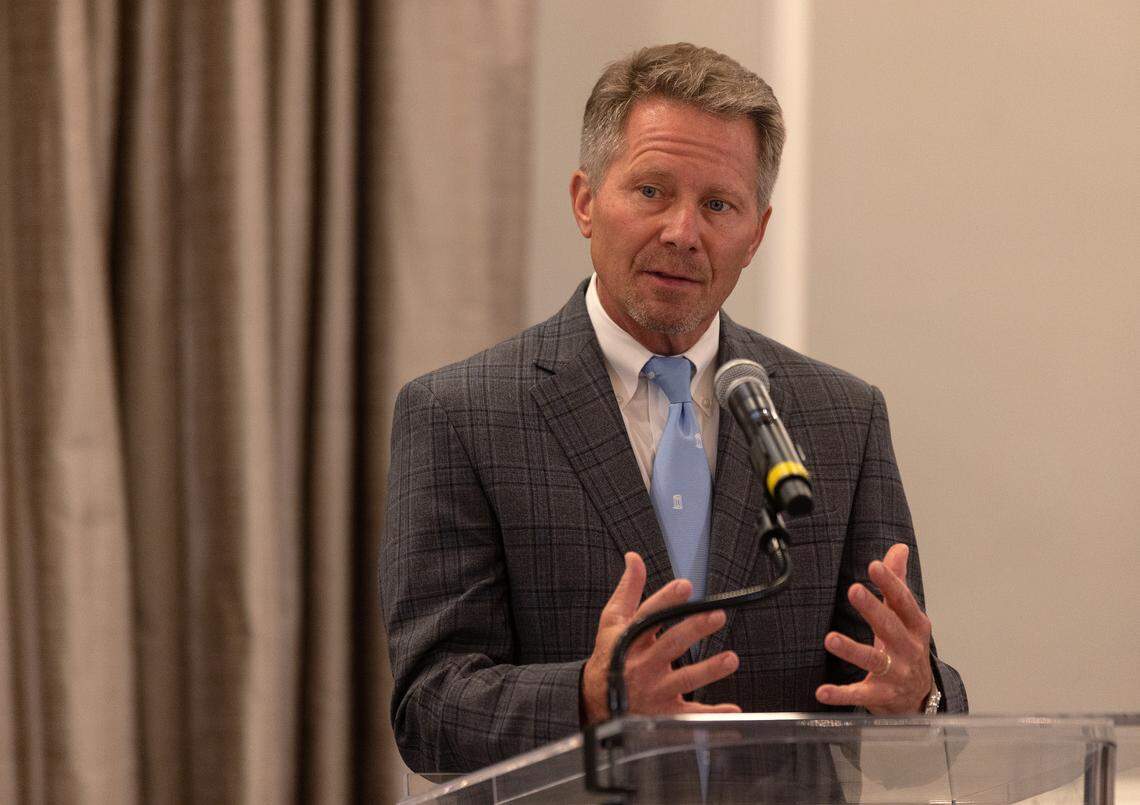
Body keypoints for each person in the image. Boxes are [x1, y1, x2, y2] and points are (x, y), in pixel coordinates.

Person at [381, 42, 966, 775]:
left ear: (755, 231)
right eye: (653, 190)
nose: (683, 232)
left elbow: (899, 726)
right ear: (586, 201)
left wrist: (919, 700)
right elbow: (428, 709)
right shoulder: (458, 415)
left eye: (718, 204)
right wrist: (590, 698)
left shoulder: (841, 418)